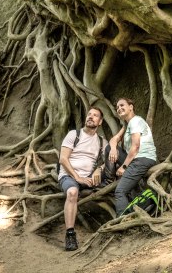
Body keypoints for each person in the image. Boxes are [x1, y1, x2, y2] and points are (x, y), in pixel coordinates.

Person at [58, 107, 105, 251]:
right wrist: (77, 177)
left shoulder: (102, 142)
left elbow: (108, 162)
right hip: (69, 176)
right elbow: (63, 159)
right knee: (72, 192)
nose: (91, 117)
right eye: (89, 114)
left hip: (88, 178)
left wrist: (99, 169)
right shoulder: (74, 134)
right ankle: (70, 235)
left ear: (100, 121)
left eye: (95, 115)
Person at [104, 97, 157, 217]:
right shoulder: (128, 125)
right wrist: (113, 148)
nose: (119, 108)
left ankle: (123, 221)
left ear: (131, 107)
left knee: (120, 191)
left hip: (142, 159)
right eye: (117, 107)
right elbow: (113, 140)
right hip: (135, 159)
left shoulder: (135, 121)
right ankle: (110, 180)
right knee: (109, 148)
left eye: (122, 105)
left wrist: (123, 167)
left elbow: (136, 147)